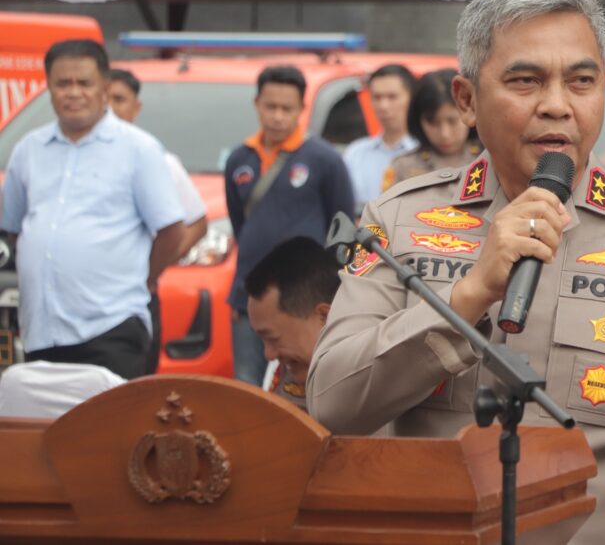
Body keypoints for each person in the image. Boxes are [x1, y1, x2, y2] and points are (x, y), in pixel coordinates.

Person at [307, 0, 605, 545]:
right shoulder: (395, 222)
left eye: (582, 81)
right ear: (467, 100)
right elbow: (331, 402)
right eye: (525, 80)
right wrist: (467, 296)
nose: (556, 104)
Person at [0, 39, 184, 380]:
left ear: (104, 88)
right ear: (49, 88)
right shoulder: (28, 150)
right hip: (43, 330)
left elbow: (173, 231)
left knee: (110, 432)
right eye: (62, 83)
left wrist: (144, 278)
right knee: (49, 432)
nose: (73, 93)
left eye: (84, 83)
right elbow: (14, 228)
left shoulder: (137, 149)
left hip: (111, 326)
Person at [224, 65, 354, 386]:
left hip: (301, 302)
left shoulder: (324, 159)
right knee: (247, 383)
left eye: (287, 108)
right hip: (249, 295)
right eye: (271, 107)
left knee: (301, 382)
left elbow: (342, 227)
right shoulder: (239, 158)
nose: (278, 116)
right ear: (257, 104)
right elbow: (240, 223)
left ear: (301, 109)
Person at [106, 67, 208, 374]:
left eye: (119, 99)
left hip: (132, 300)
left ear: (136, 108)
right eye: (105, 98)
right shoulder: (68, 159)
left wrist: (150, 274)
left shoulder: (156, 159)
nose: (111, 108)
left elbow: (196, 223)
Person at [245, 237, 340, 410]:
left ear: (325, 316)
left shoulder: (371, 386)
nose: (269, 355)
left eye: (273, 338)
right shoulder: (286, 379)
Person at [380, 68, 482, 192]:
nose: (445, 134)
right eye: (433, 123)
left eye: (452, 121)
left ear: (469, 110)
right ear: (418, 120)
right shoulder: (403, 166)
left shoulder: (491, 159)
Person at [343, 64, 417, 205]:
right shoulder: (355, 154)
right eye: (377, 97)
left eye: (392, 97)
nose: (383, 106)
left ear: (412, 98)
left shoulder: (425, 152)